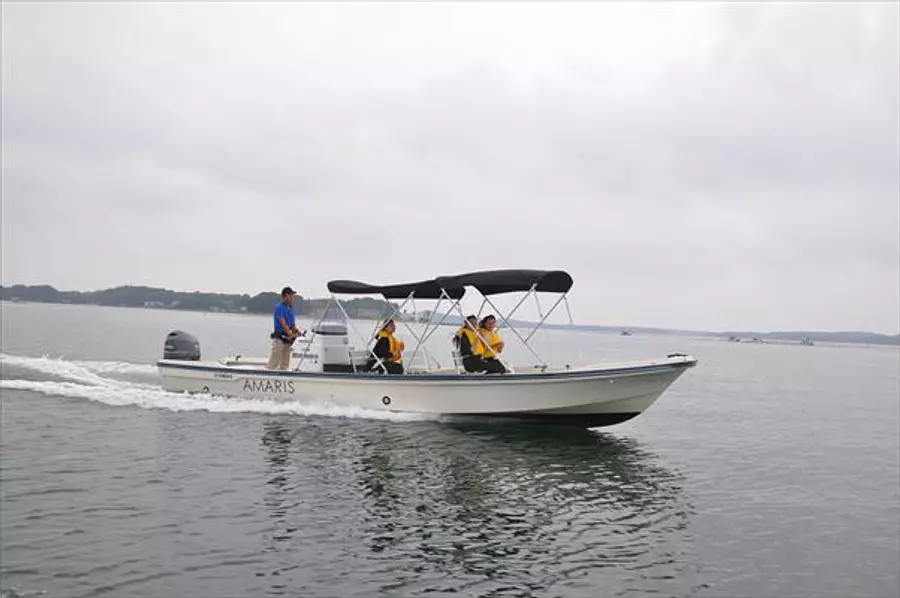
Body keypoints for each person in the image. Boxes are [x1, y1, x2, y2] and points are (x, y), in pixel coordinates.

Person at [267, 286, 300, 370]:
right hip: (280, 339)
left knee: (285, 364)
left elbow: (292, 324)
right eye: (290, 295)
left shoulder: (290, 308)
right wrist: (291, 334)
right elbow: (283, 323)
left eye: (292, 295)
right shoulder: (279, 307)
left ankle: (282, 377)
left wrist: (296, 332)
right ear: (285, 296)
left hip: (288, 340)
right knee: (274, 363)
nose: (292, 297)